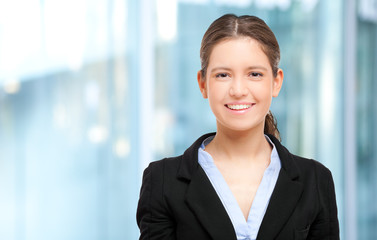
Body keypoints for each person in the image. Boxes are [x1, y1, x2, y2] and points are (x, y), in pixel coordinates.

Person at [136, 14, 339, 240]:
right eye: (223, 75)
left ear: (276, 82)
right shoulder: (162, 181)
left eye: (254, 74)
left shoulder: (316, 181)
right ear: (203, 84)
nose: (238, 90)